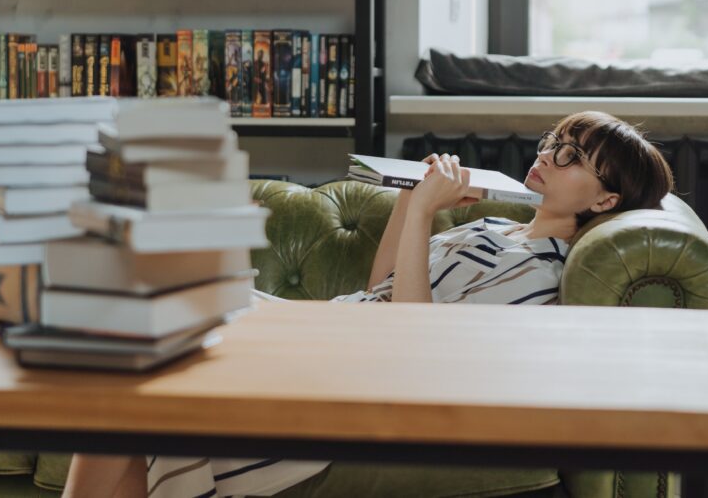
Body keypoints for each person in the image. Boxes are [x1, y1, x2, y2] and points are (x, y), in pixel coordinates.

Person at [61, 111, 674, 498]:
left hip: (363, 366)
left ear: (603, 201)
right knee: (147, 331)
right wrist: (412, 201)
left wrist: (427, 213)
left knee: (145, 373)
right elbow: (385, 284)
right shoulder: (496, 231)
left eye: (572, 156)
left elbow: (410, 337)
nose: (548, 155)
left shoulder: (541, 274)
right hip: (342, 331)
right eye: (553, 140)